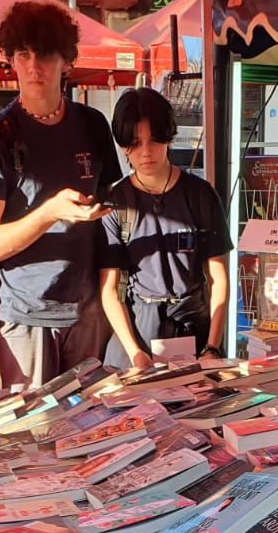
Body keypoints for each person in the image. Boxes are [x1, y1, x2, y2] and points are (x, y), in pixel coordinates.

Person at [0, 0, 122, 388]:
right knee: (36, 425)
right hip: (25, 317)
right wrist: (50, 212)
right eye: (24, 54)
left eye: (46, 54)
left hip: (89, 312)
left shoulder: (93, 124)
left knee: (91, 422)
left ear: (67, 61)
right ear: (10, 60)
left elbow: (112, 215)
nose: (35, 66)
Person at [98, 87, 231, 369]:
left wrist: (212, 347)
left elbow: (218, 278)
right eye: (134, 143)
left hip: (192, 325)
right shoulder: (116, 203)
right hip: (137, 329)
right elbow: (109, 289)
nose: (146, 152)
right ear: (122, 145)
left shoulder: (201, 195)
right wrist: (134, 351)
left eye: (154, 140)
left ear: (168, 136)